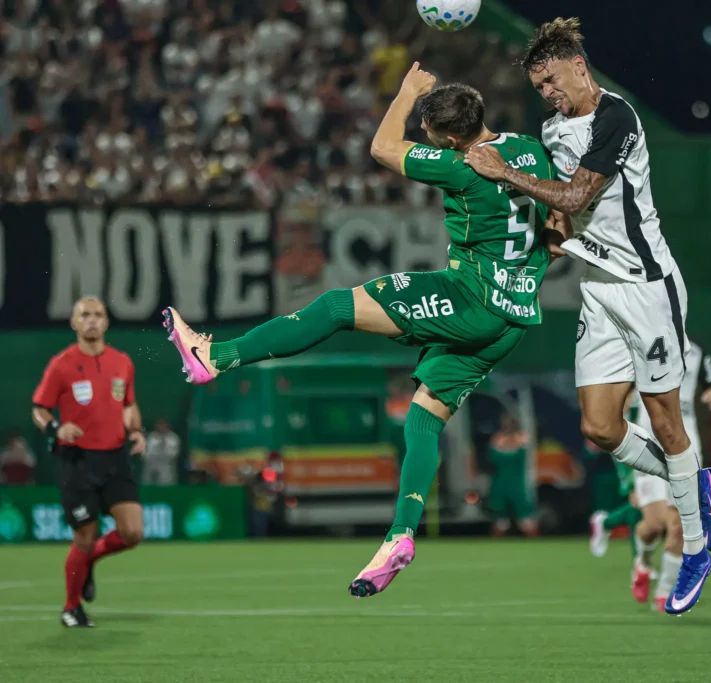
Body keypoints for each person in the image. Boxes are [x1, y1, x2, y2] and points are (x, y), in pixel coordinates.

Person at [162, 63, 556, 598]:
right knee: (423, 418)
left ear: (452, 137)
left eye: (432, 134)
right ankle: (399, 536)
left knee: (333, 307)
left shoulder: (463, 166)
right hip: (513, 317)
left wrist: (407, 92)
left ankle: (218, 356)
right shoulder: (530, 151)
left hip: (470, 298)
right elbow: (560, 219)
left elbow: (382, 148)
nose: (427, 139)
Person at [465, 17, 711, 614]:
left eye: (553, 80)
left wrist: (505, 173)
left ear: (579, 68)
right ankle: (697, 483)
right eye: (540, 88)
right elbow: (565, 209)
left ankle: (695, 550)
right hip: (599, 289)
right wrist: (555, 234)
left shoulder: (618, 117)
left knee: (664, 419)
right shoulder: (555, 126)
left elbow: (578, 195)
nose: (549, 95)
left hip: (647, 286)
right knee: (600, 427)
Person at [31, 296, 147, 628]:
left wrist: (136, 430)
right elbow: (39, 409)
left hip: (115, 456)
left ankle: (91, 559)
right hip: (78, 460)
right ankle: (71, 607)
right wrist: (55, 426)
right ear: (74, 322)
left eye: (98, 314)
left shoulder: (122, 362)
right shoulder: (62, 364)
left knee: (133, 532)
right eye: (85, 315)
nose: (92, 320)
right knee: (84, 534)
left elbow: (128, 404)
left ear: (107, 322)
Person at [630, 340, 711, 611]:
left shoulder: (697, 352)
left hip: (685, 443)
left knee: (678, 526)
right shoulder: (641, 340)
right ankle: (643, 563)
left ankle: (663, 593)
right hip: (648, 442)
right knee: (653, 526)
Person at [485, 412, 539, 537]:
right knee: (501, 522)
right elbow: (493, 457)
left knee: (526, 521)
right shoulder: (498, 439)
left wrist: (510, 442)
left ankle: (536, 550)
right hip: (501, 485)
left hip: (517, 487)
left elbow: (521, 451)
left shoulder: (521, 438)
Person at [142, 418, 181, 485]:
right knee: (147, 479)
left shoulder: (174, 437)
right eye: (160, 426)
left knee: (166, 481)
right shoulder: (151, 437)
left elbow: (174, 453)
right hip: (152, 463)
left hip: (167, 464)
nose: (162, 428)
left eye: (164, 426)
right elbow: (146, 453)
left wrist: (164, 444)